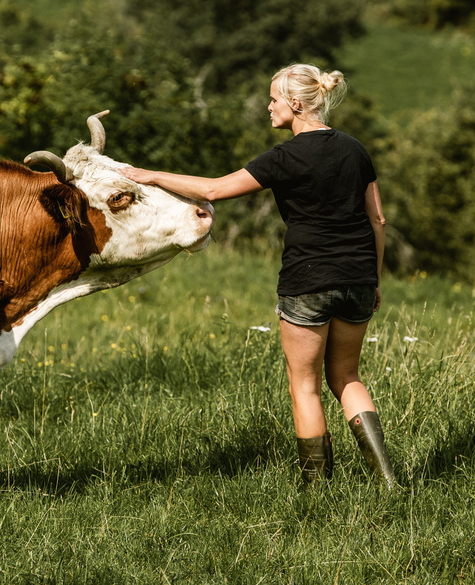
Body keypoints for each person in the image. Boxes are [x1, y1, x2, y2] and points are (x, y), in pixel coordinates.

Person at [121, 64, 396, 489]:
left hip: (308, 279)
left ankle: (315, 490)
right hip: (358, 276)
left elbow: (213, 190)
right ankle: (388, 480)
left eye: (273, 99)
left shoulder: (284, 157)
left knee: (303, 384)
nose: (268, 106)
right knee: (347, 377)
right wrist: (373, 280)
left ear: (296, 103)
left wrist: (150, 175)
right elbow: (377, 219)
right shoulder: (355, 149)